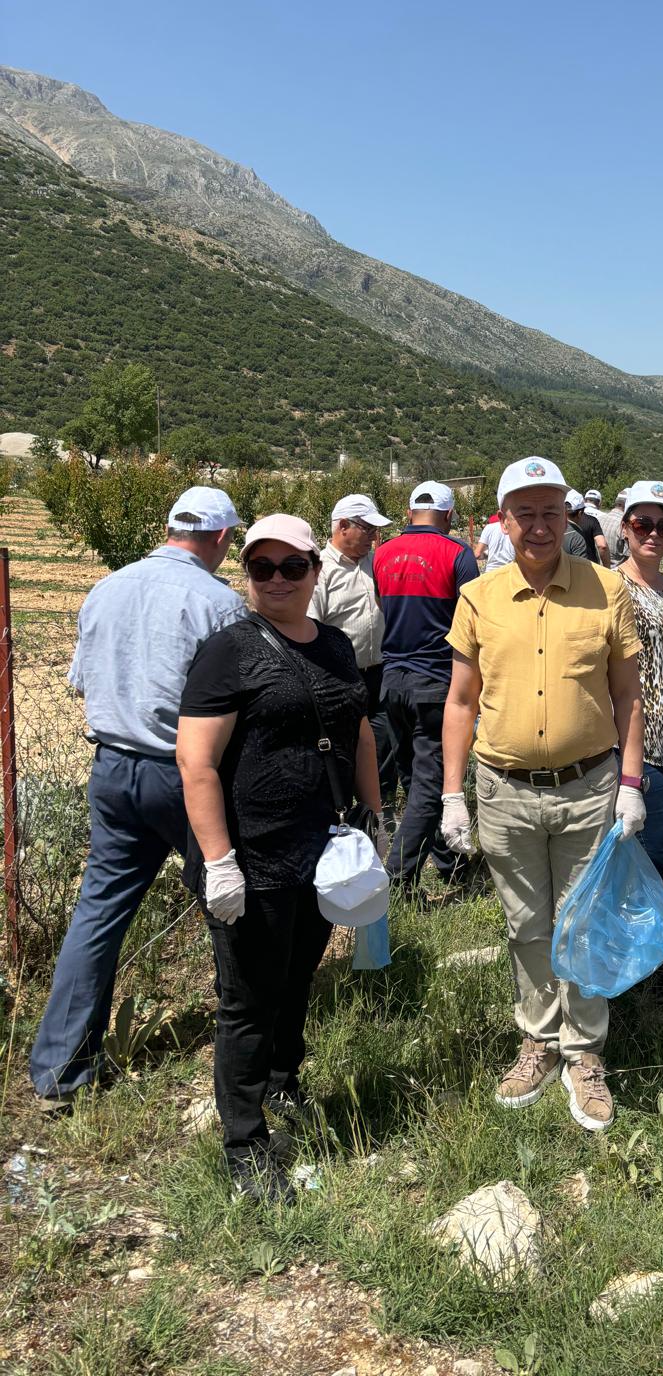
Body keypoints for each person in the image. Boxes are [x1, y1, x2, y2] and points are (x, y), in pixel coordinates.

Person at [176, 513, 383, 1202]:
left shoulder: (334, 644)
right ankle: (244, 1141)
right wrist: (219, 861)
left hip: (320, 847)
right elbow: (197, 762)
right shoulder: (228, 651)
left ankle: (282, 1081)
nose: (276, 580)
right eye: (262, 567)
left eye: (291, 567)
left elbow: (358, 734)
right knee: (247, 998)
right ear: (247, 574)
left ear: (313, 572)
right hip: (253, 852)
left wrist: (374, 815)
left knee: (298, 978)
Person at [442, 456, 645, 1131]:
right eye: (524, 513)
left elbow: (627, 695)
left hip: (589, 787)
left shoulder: (607, 589)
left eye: (549, 512)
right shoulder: (480, 597)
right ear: (503, 520)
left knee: (584, 923)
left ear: (567, 516)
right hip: (505, 790)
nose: (538, 525)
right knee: (527, 926)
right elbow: (461, 699)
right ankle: (539, 1039)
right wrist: (450, 794)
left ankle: (585, 1053)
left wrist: (632, 782)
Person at [28, 488, 247, 1111]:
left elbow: (82, 680)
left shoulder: (108, 587)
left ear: (171, 527)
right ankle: (242, 1049)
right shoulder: (219, 603)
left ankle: (59, 1072)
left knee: (98, 913)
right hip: (185, 774)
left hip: (112, 769)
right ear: (224, 538)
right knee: (227, 902)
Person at [373, 482, 480, 896]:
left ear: (409, 510)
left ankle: (448, 863)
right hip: (437, 683)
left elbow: (384, 606)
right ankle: (397, 880)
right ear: (450, 516)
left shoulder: (381, 553)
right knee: (431, 785)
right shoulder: (457, 554)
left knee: (411, 779)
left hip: (392, 680)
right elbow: (472, 621)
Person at [615, 481, 663, 885]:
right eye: (643, 523)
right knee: (656, 851)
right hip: (636, 741)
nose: (654, 534)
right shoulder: (612, 587)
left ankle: (647, 934)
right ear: (625, 527)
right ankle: (640, 939)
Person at [308, 492, 392, 787]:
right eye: (368, 529)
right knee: (341, 748)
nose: (374, 536)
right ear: (343, 526)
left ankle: (380, 815)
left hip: (378, 675)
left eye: (375, 530)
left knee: (382, 747)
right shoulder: (321, 569)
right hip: (339, 677)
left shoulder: (376, 563)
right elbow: (311, 626)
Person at [567, 489, 610, 565]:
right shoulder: (593, 520)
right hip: (588, 566)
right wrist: (607, 568)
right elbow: (602, 545)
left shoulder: (557, 525)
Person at [596, 489, 628, 565]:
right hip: (616, 571)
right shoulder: (624, 525)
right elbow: (628, 556)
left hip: (597, 568)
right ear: (627, 505)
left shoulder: (599, 519)